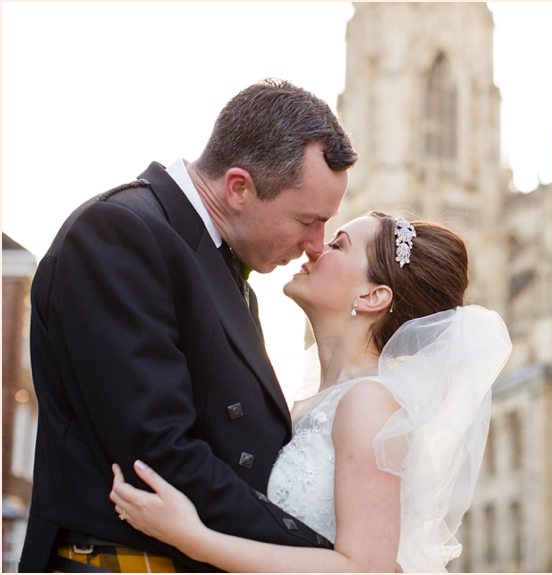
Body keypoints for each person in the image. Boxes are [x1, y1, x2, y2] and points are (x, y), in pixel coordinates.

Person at [20, 78, 358, 573]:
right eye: (308, 220)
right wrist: (326, 558)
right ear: (239, 188)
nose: (316, 244)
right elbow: (159, 454)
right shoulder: (120, 233)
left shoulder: (213, 260)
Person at [109, 211, 513, 572]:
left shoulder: (369, 402)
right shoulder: (318, 399)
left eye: (338, 244)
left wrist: (194, 538)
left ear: (372, 296)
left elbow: (365, 569)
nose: (316, 248)